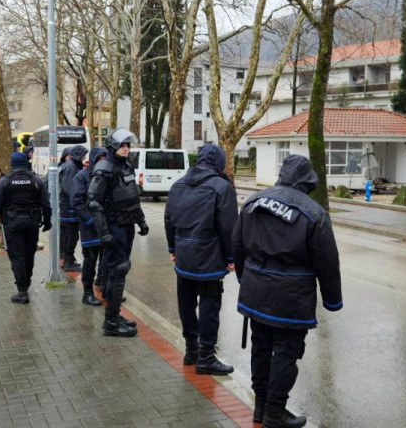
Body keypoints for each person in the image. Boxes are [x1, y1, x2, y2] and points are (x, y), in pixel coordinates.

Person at [233, 155, 342, 428]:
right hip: (290, 298)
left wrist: (245, 279)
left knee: (261, 346)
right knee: (285, 352)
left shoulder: (252, 202)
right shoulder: (314, 213)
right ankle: (275, 412)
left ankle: (260, 406)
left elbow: (238, 245)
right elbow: (327, 262)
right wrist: (332, 300)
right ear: (308, 182)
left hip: (255, 292)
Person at [164, 144, 238, 375]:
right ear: (219, 162)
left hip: (184, 255)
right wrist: (231, 256)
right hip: (209, 256)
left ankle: (191, 350)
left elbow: (169, 218)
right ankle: (206, 356)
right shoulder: (222, 187)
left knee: (186, 302)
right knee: (209, 305)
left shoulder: (178, 184)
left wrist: (173, 247)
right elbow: (228, 226)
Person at [87, 128, 149, 337]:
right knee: (118, 269)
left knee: (120, 269)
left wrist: (141, 221)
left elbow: (132, 197)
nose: (126, 148)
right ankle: (111, 322)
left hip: (127, 225)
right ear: (113, 146)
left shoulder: (126, 166)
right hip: (114, 227)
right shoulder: (105, 168)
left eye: (128, 145)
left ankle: (113, 315)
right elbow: (94, 203)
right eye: (122, 145)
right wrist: (104, 233)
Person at [0, 152, 53, 304]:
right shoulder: (36, 180)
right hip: (32, 223)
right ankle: (26, 281)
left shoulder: (5, 182)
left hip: (12, 224)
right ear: (25, 163)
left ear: (12, 164)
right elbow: (45, 204)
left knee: (17, 257)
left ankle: (22, 291)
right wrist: (47, 221)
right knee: (29, 254)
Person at [71, 146, 108, 306]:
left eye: (105, 158)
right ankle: (87, 293)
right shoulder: (82, 177)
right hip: (90, 229)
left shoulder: (107, 175)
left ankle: (104, 287)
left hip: (106, 227)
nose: (103, 161)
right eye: (100, 158)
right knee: (90, 261)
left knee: (107, 261)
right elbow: (77, 202)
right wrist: (90, 221)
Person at [59, 145, 88, 270]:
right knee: (71, 236)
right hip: (69, 209)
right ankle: (69, 262)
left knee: (67, 235)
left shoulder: (68, 165)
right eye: (83, 155)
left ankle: (67, 259)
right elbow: (69, 187)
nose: (84, 158)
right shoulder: (71, 167)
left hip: (66, 207)